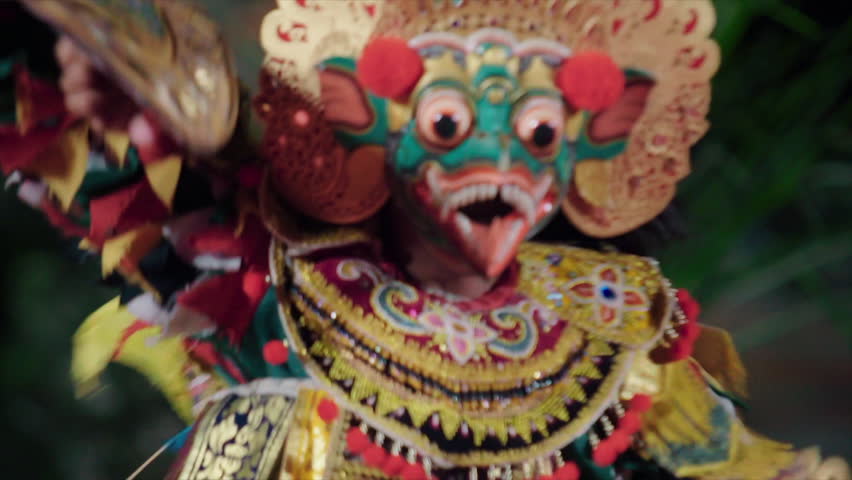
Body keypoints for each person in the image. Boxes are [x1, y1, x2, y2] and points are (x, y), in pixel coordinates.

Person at [0, 1, 848, 479]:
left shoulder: (614, 328)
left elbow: (740, 470)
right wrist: (101, 105)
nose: (499, 163)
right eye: (450, 125)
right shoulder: (272, 280)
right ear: (371, 131)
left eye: (539, 132)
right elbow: (119, 186)